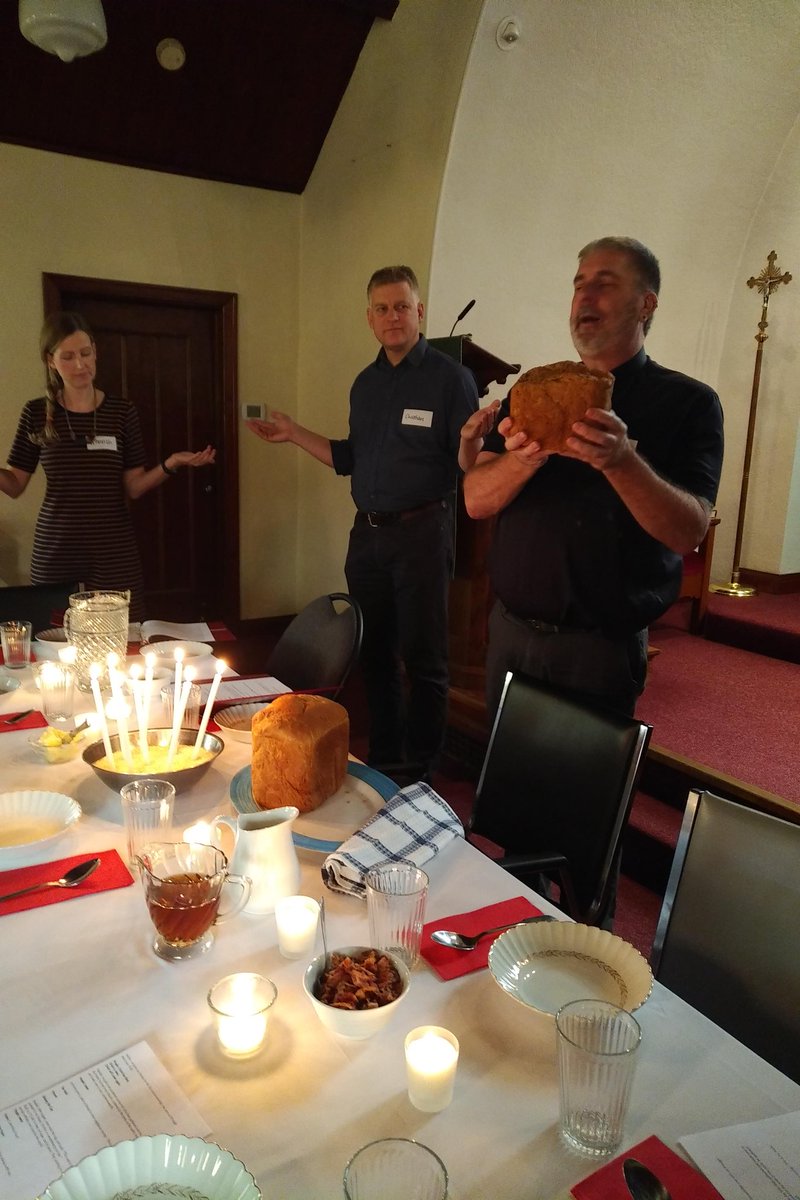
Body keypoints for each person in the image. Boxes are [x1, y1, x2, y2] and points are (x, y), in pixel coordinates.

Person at [461, 236, 724, 721]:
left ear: (645, 303)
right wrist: (524, 460)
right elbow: (476, 500)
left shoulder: (689, 404)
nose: (584, 297)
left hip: (597, 650)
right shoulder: (535, 389)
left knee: (575, 794)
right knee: (505, 787)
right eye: (579, 285)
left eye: (604, 284)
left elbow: (689, 531)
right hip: (510, 634)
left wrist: (621, 460)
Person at [247, 265, 479, 780]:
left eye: (402, 306)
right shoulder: (366, 384)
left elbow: (469, 465)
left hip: (422, 534)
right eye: (381, 308)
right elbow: (349, 456)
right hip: (368, 537)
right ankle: (385, 760)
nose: (392, 317)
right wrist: (291, 433)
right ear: (369, 319)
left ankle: (420, 774)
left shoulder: (451, 380)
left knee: (424, 661)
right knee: (374, 654)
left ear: (419, 312)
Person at [0, 311, 215, 622]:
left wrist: (172, 463)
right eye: (68, 356)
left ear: (96, 352)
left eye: (86, 354)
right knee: (54, 639)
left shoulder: (121, 411)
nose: (80, 365)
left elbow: (135, 486)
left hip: (113, 548)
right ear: (51, 361)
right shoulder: (35, 412)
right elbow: (15, 485)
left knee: (124, 635)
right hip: (57, 547)